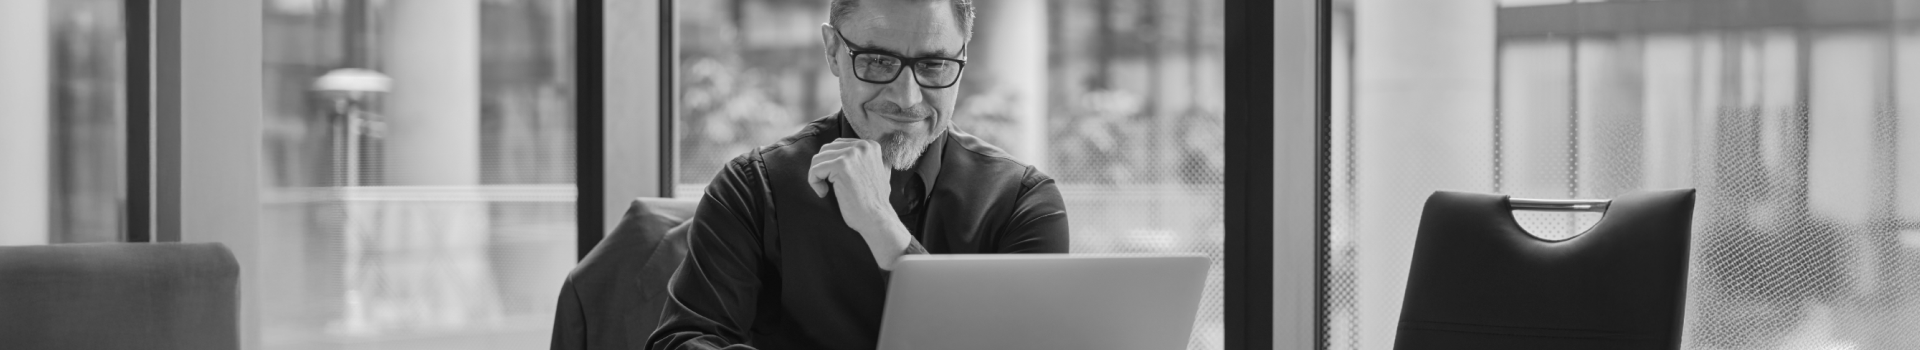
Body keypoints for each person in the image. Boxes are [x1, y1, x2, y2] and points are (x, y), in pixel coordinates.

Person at [647, 0, 1070, 349]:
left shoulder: (1024, 204)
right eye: (878, 61)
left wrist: (880, 225)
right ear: (833, 51)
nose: (907, 98)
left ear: (962, 57)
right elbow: (684, 341)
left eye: (935, 65)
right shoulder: (752, 188)